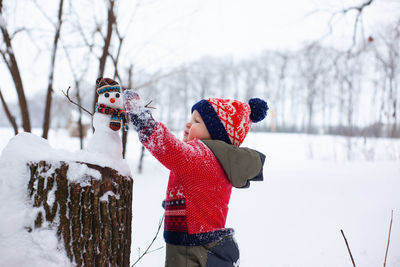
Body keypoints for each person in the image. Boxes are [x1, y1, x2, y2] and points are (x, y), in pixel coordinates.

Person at [124, 90, 268, 267]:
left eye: (196, 121)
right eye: (191, 118)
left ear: (217, 133)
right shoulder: (217, 159)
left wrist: (142, 119)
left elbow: (169, 148)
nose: (188, 124)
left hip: (190, 246)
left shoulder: (201, 156)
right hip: (200, 241)